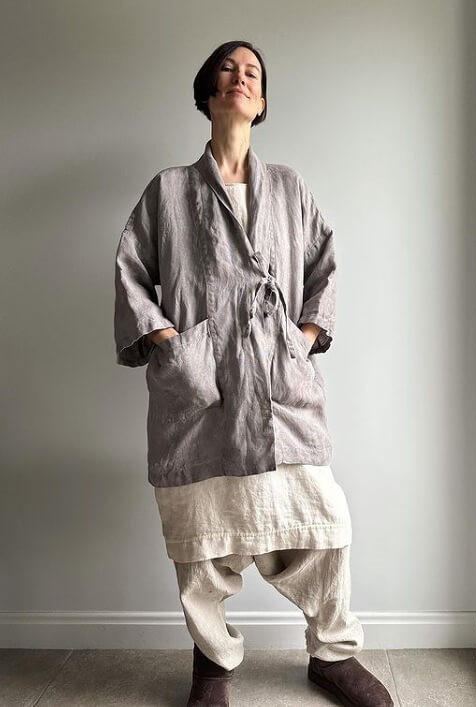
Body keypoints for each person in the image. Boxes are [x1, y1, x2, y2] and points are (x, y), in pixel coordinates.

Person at [114, 39, 393, 707]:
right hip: (200, 395)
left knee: (324, 524)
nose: (240, 78)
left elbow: (326, 265)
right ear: (208, 90)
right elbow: (131, 270)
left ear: (261, 101)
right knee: (201, 540)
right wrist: (171, 344)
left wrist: (304, 336)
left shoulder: (290, 188)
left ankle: (332, 653)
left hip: (278, 389)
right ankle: (212, 664)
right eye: (227, 69)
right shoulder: (169, 190)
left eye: (253, 73)